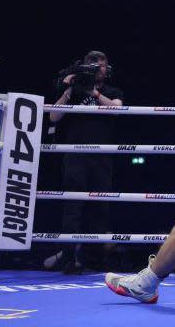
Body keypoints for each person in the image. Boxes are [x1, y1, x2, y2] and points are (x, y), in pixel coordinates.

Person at [47, 50, 124, 273]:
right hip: (75, 155)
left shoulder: (112, 91)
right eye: (93, 63)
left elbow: (117, 110)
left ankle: (95, 259)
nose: (97, 66)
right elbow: (53, 117)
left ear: (107, 68)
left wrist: (94, 93)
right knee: (73, 205)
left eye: (101, 62)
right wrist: (69, 91)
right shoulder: (74, 91)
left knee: (100, 206)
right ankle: (69, 258)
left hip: (102, 157)